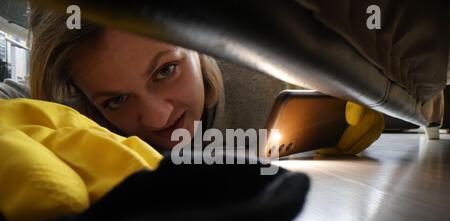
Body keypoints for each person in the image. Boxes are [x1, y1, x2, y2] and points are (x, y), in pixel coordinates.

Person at [0, 4, 385, 154]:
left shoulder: (272, 77)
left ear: (198, 46)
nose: (156, 118)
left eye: (165, 70)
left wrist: (370, 99)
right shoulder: (73, 112)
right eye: (115, 101)